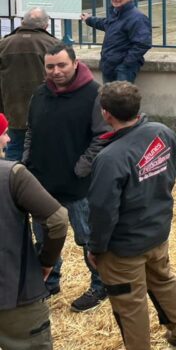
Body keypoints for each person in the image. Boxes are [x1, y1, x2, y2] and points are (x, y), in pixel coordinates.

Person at [87, 81, 176, 349]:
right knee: (164, 283)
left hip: (123, 249)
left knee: (130, 304)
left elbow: (102, 211)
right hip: (157, 234)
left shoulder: (110, 158)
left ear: (105, 113)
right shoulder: (162, 133)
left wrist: (95, 247)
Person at [23, 44, 108, 311]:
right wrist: (26, 162)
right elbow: (30, 131)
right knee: (46, 238)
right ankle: (49, 283)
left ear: (75, 63)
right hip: (41, 183)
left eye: (61, 65)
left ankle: (100, 284)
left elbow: (103, 136)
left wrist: (81, 167)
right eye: (50, 67)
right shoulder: (40, 93)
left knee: (88, 238)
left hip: (79, 186)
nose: (56, 71)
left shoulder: (94, 94)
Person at [0, 113, 69, 350]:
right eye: (3, 133)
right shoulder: (12, 175)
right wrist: (46, 261)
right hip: (16, 294)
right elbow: (58, 219)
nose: (8, 139)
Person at [0, 8, 59, 162]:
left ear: (23, 22)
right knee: (44, 153)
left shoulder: (4, 44)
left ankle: (10, 183)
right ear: (45, 26)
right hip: (46, 111)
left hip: (13, 110)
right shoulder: (53, 45)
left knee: (13, 151)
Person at [81, 0, 152, 83]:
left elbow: (143, 44)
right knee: (108, 96)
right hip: (108, 65)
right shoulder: (116, 13)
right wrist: (89, 20)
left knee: (122, 97)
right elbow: (107, 25)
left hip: (123, 69)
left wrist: (125, 64)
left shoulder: (137, 18)